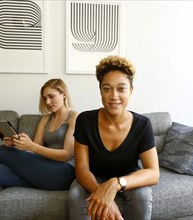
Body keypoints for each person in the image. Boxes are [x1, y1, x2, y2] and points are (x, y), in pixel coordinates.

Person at [68, 56, 160, 220]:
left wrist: (116, 184)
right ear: (100, 91)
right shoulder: (85, 120)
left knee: (143, 196)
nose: (114, 95)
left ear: (131, 90)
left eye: (121, 89)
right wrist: (103, 196)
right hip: (93, 177)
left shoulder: (142, 124)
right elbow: (81, 169)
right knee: (76, 194)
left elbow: (153, 173)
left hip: (127, 177)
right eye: (107, 88)